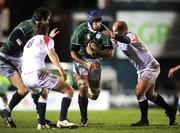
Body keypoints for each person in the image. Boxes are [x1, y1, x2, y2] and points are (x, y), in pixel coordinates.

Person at [0, 7, 58, 128]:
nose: (48, 22)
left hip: (18, 58)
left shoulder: (36, 27)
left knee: (35, 86)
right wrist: (19, 45)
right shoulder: (27, 26)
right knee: (24, 89)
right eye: (48, 19)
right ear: (42, 19)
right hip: (6, 59)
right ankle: (7, 112)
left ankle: (41, 118)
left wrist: (49, 38)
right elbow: (16, 35)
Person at [110, 21, 177, 126]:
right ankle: (170, 110)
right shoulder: (117, 39)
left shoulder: (131, 36)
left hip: (151, 66)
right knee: (150, 95)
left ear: (121, 31)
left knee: (139, 91)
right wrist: (96, 48)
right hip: (141, 70)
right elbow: (108, 46)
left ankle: (144, 120)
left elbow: (126, 40)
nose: (113, 33)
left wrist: (114, 36)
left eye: (115, 31)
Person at [21, 21, 78, 129]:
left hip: (25, 77)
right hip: (37, 74)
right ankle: (62, 120)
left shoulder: (30, 41)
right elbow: (51, 53)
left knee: (44, 93)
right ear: (47, 31)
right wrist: (60, 69)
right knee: (69, 90)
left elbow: (41, 44)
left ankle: (41, 123)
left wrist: (49, 37)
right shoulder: (47, 39)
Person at [70, 10, 113, 127]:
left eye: (100, 21)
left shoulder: (104, 31)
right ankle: (84, 119)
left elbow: (110, 53)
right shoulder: (80, 30)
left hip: (96, 62)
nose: (98, 24)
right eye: (96, 21)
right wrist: (85, 63)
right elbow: (73, 53)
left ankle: (90, 91)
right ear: (90, 20)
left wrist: (96, 52)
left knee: (95, 94)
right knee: (83, 86)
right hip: (81, 60)